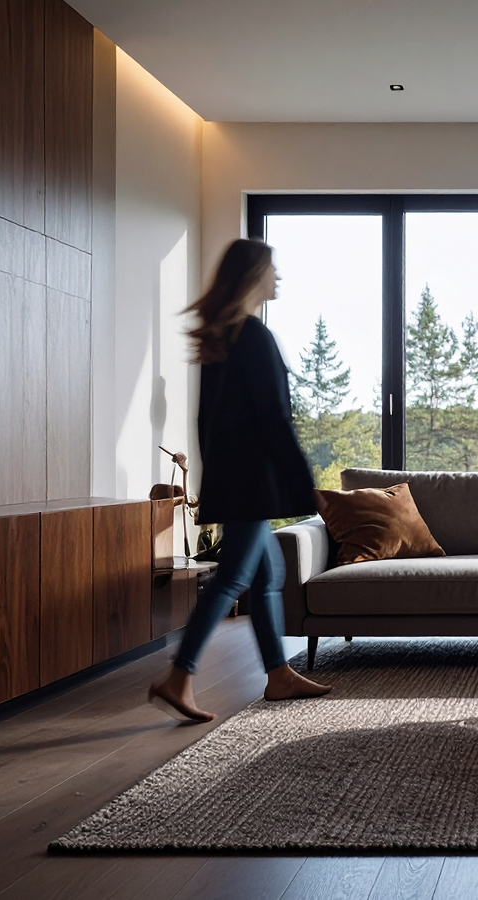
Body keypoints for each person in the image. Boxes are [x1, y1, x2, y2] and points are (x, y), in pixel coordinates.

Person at [149, 239, 331, 722]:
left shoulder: (223, 338)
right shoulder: (251, 335)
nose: (279, 278)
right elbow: (275, 421)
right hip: (251, 484)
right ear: (253, 276)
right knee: (232, 578)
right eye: (273, 269)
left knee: (268, 575)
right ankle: (179, 675)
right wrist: (306, 484)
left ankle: (278, 674)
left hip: (235, 482)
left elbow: (208, 425)